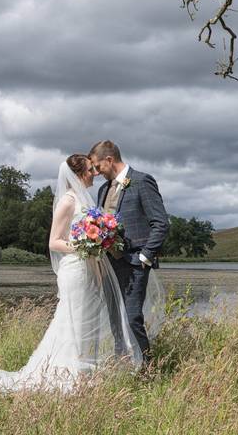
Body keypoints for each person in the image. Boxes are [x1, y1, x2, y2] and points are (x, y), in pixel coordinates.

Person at [0, 154, 142, 393]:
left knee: (89, 319)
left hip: (89, 269)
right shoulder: (67, 201)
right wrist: (85, 245)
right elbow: (54, 242)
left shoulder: (86, 199)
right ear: (78, 174)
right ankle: (69, 374)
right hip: (74, 269)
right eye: (89, 170)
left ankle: (84, 372)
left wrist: (98, 243)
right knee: (74, 319)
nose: (94, 174)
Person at [89, 140, 168, 364]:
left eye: (97, 166)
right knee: (114, 317)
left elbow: (161, 223)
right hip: (109, 265)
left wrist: (145, 256)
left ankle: (148, 368)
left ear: (109, 159)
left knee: (133, 317)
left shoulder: (142, 181)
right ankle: (122, 362)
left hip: (135, 263)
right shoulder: (104, 189)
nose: (96, 172)